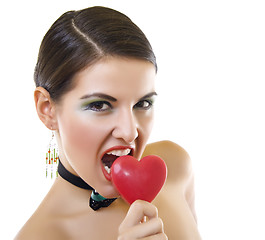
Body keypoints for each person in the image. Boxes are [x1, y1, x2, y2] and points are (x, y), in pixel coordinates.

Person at [15, 6, 201, 240]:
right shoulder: (39, 236)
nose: (130, 131)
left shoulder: (175, 166)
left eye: (142, 104)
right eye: (100, 105)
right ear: (47, 109)